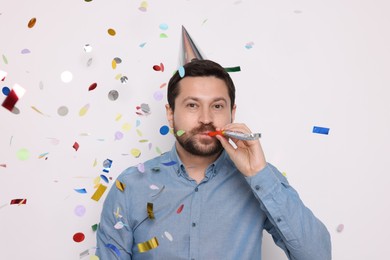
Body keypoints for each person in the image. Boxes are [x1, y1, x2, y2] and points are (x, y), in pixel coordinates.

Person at [96, 59, 332, 259]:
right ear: (170, 114)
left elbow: (318, 255)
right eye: (192, 105)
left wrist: (258, 174)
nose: (206, 118)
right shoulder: (130, 186)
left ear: (232, 113)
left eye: (217, 106)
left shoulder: (260, 178)